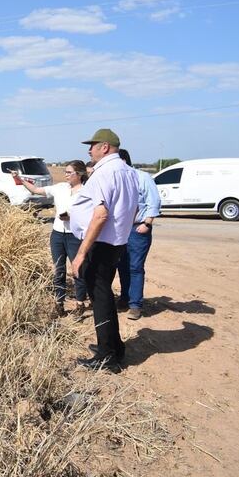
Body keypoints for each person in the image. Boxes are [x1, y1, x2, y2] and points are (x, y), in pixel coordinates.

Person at [69, 129, 139, 372]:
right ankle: (113, 347)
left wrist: (80, 254)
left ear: (105, 147)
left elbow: (100, 215)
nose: (89, 150)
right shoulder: (128, 172)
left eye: (93, 145)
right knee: (104, 296)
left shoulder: (105, 173)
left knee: (100, 298)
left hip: (100, 245)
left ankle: (107, 356)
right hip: (115, 243)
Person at [12, 161, 89, 318]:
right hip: (57, 234)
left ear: (79, 174)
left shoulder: (87, 192)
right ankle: (59, 304)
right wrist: (19, 178)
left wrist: (72, 216)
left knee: (78, 270)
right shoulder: (60, 188)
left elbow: (90, 215)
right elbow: (35, 189)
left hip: (75, 236)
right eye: (65, 171)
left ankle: (80, 304)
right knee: (59, 270)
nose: (66, 174)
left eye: (69, 172)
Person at [116, 149, 161, 320]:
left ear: (123, 160)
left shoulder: (142, 177)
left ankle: (135, 305)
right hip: (121, 229)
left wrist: (147, 223)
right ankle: (124, 298)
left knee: (135, 267)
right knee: (122, 266)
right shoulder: (118, 180)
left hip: (137, 229)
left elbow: (154, 201)